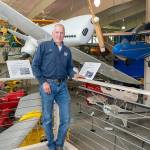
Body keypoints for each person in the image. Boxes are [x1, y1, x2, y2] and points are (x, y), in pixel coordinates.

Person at [32, 24, 78, 150]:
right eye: (57, 32)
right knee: (47, 119)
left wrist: (75, 75)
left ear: (64, 34)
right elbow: (35, 66)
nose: (59, 35)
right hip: (47, 85)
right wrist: (43, 82)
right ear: (52, 34)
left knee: (66, 119)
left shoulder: (67, 51)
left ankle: (59, 144)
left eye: (61, 33)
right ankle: (51, 145)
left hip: (62, 86)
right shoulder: (44, 47)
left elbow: (69, 68)